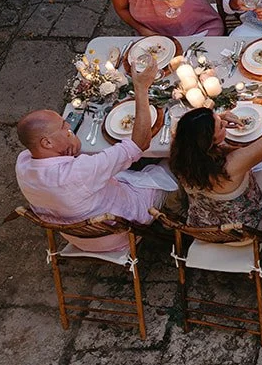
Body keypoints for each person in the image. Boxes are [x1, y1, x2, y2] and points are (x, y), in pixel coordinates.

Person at [14, 62, 164, 252]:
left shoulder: (23, 163)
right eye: (63, 126)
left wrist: (70, 146)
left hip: (79, 237)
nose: (69, 127)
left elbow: (73, 156)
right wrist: (141, 89)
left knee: (125, 167)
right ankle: (179, 215)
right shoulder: (81, 171)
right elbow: (140, 144)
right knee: (168, 165)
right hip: (120, 231)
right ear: (47, 143)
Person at [170, 53, 262, 231]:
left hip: (205, 227)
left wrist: (216, 119)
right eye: (221, 127)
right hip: (244, 231)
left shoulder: (181, 153)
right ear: (209, 142)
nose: (224, 123)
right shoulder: (233, 164)